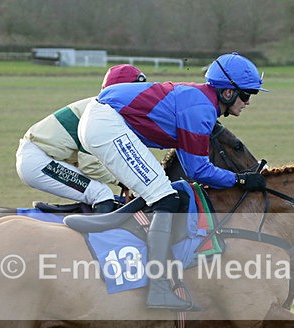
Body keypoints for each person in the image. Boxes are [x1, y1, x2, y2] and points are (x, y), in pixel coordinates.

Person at [77, 52, 268, 310]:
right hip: (104, 123)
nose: (248, 102)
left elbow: (189, 163)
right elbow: (198, 169)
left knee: (164, 190)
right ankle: (158, 289)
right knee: (165, 196)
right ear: (227, 93)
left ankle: (109, 220)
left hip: (101, 121)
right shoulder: (200, 109)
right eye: (246, 95)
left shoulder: (201, 102)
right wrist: (240, 180)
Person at [16, 64, 148, 213]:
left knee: (98, 190)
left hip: (42, 156)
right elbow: (89, 164)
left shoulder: (101, 107)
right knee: (101, 194)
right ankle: (97, 236)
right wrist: (122, 180)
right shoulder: (102, 114)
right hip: (39, 161)